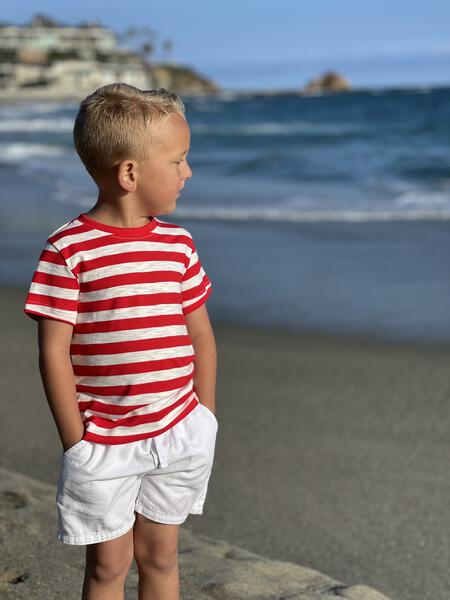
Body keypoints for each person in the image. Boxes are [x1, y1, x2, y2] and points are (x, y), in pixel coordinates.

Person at [23, 82, 218, 600]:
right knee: (109, 565)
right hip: (103, 442)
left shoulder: (177, 244)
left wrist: (206, 415)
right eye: (178, 161)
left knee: (161, 556)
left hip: (177, 430)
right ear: (130, 173)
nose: (188, 173)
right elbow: (53, 352)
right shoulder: (69, 250)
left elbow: (199, 332)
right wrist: (76, 442)